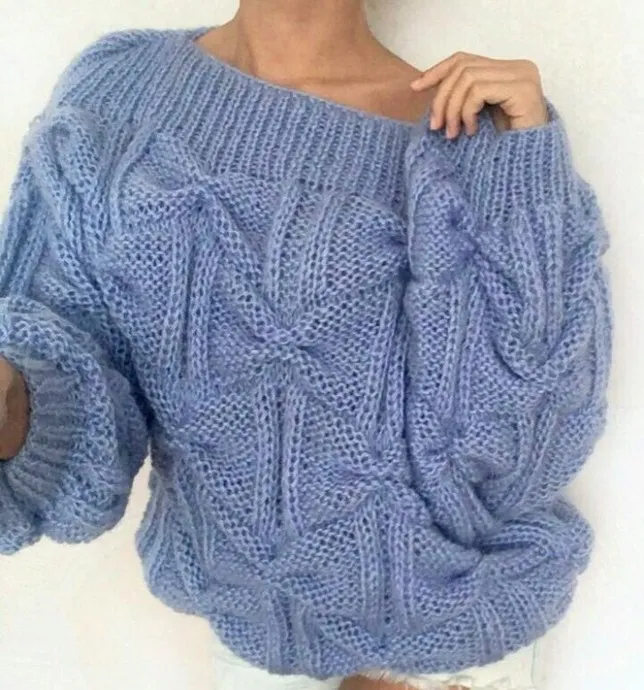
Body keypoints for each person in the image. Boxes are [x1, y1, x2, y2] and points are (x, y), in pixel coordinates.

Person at [0, 1, 612, 689]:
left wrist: (524, 184)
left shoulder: (462, 131)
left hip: (456, 638)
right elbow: (75, 398)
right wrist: (11, 401)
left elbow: (525, 450)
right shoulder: (115, 90)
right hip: (250, 637)